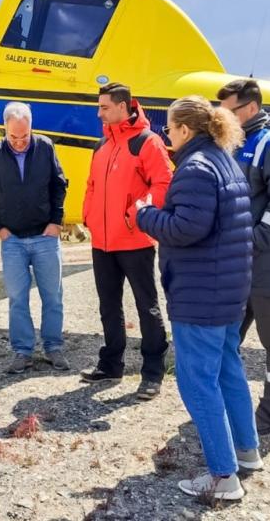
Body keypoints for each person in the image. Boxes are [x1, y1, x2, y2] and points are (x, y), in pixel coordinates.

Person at [136, 95, 260, 501]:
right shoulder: (224, 162)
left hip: (200, 293)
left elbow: (185, 228)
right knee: (228, 370)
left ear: (185, 130)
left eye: (169, 127)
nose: (165, 134)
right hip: (227, 289)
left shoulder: (194, 169)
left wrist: (144, 215)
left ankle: (223, 477)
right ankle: (247, 451)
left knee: (197, 381)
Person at [218, 79, 270, 435]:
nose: (220, 117)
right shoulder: (236, 143)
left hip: (268, 266)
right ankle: (228, 405)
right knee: (226, 339)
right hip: (238, 266)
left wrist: (255, 240)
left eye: (226, 111)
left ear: (249, 109)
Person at [80, 82, 172, 399]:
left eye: (104, 107)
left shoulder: (148, 142)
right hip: (102, 243)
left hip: (135, 241)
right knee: (108, 307)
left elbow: (163, 185)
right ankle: (111, 364)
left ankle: (152, 373)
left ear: (123, 106)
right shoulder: (101, 146)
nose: (99, 113)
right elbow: (91, 185)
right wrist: (89, 215)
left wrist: (134, 214)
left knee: (146, 307)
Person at [0, 101, 69, 374]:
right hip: (13, 241)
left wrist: (56, 222)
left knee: (52, 296)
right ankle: (22, 352)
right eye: (13, 137)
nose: (20, 143)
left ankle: (53, 347)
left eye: (25, 136)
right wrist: (0, 227)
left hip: (45, 236)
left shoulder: (45, 146)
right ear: (4, 130)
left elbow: (59, 184)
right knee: (17, 298)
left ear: (31, 128)